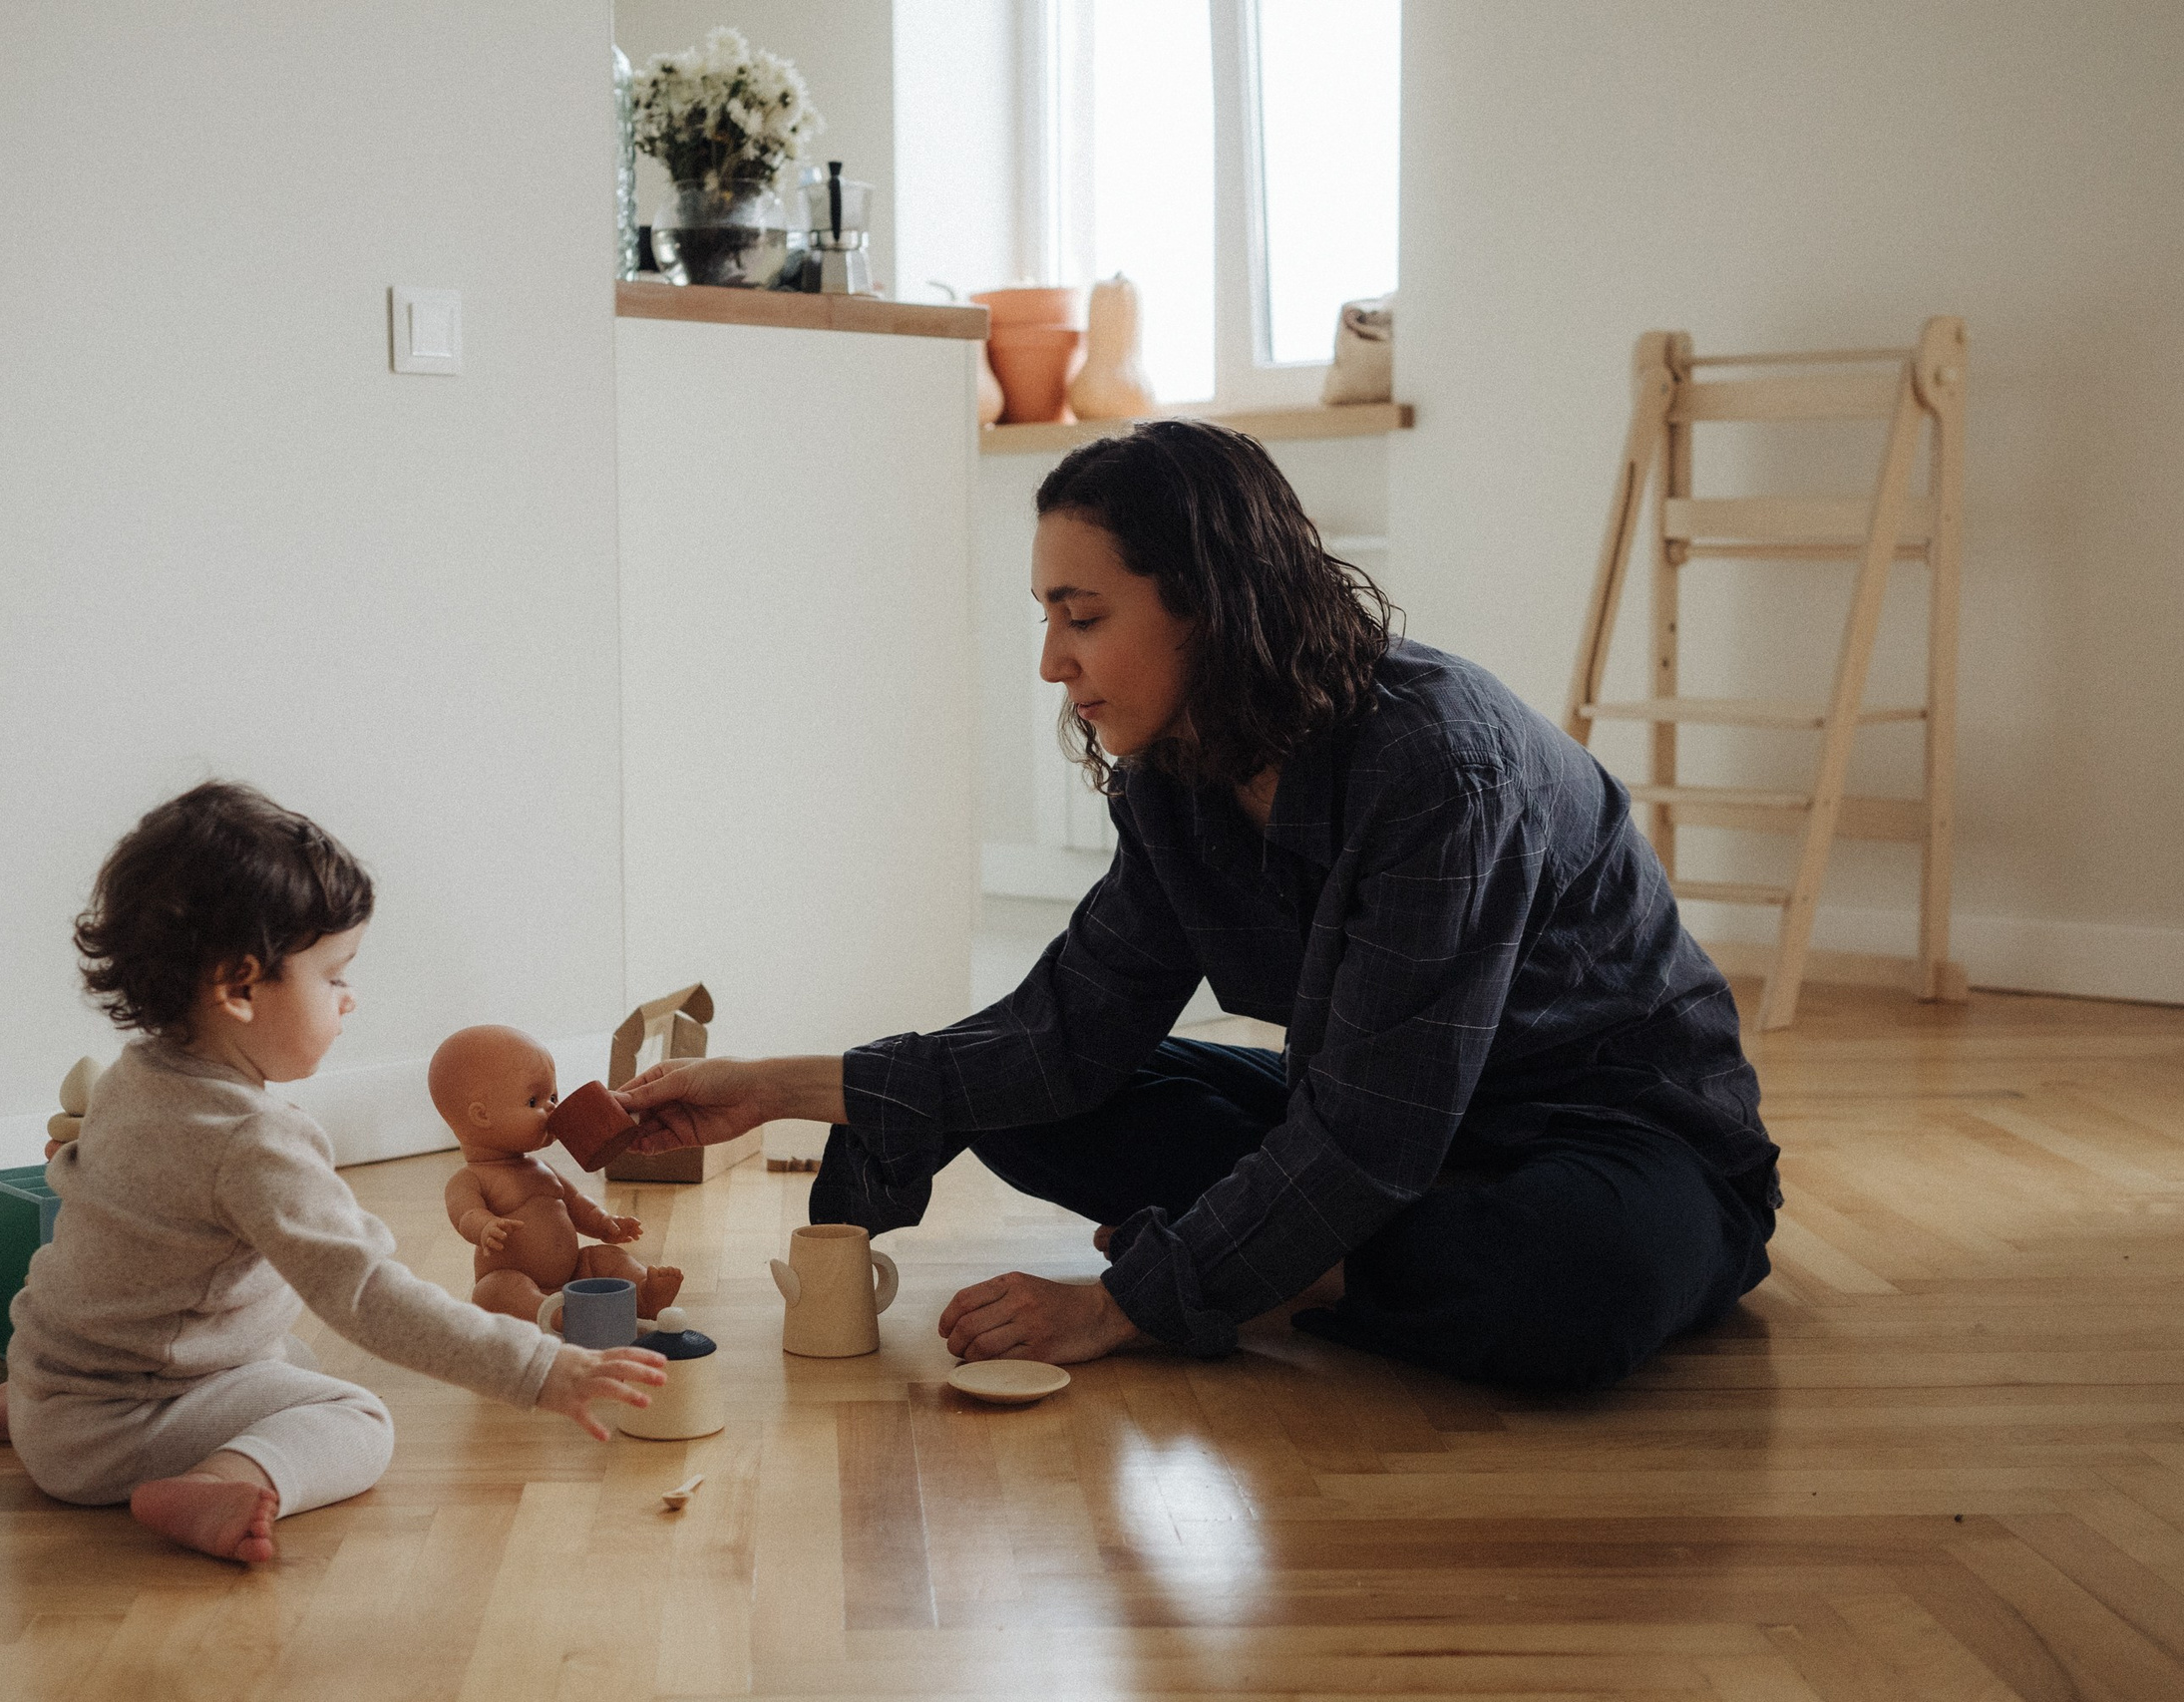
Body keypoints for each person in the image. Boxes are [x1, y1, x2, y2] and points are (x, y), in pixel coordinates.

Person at [620, 420, 1778, 1392]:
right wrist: (768, 1091)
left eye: (1081, 617)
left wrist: (1127, 1306)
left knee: (1579, 1287)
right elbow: (1061, 1032)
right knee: (1028, 1097)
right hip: (1375, 1128)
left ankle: (1308, 1266)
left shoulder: (1437, 768)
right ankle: (1309, 1259)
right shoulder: (1180, 774)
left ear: (1211, 609)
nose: (1051, 665)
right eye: (1045, 618)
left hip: (1606, 1139)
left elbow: (1374, 1138)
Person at [0, 781, 663, 1561]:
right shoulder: (252, 1140)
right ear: (240, 988)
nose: (349, 1001)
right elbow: (366, 1295)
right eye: (335, 975)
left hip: (55, 1375)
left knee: (286, 1356)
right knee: (355, 1418)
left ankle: (31, 1411)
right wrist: (537, 1366)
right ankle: (222, 1481)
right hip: (121, 1425)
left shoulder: (131, 1077)